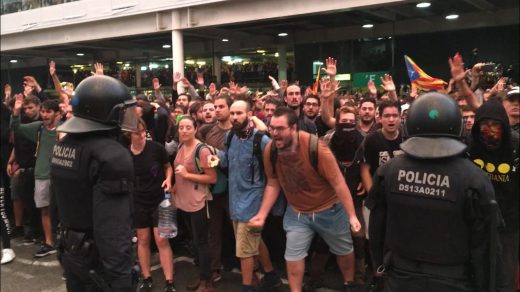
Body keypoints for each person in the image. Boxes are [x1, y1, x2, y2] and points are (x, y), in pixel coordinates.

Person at [367, 92, 502, 292]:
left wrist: (380, 267)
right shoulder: (474, 178)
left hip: (400, 278)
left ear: (409, 125)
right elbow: (486, 247)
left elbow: (376, 227)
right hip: (455, 281)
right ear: (458, 126)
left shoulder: (388, 171)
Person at [249, 107, 361, 292]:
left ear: (293, 128)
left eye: (280, 128)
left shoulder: (316, 148)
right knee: (292, 256)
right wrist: (261, 214)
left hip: (330, 210)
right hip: (297, 213)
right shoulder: (271, 150)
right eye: (272, 128)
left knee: (344, 250)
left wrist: (352, 216)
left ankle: (349, 283)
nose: (274, 133)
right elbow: (273, 182)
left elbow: (339, 183)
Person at [50, 75, 137, 291]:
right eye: (123, 110)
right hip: (99, 264)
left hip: (71, 252)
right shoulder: (112, 155)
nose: (129, 116)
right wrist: (121, 281)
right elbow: (112, 229)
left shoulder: (64, 144)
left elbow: (56, 206)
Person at [217, 100, 282, 292]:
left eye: (239, 113)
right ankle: (270, 275)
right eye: (233, 114)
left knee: (244, 250)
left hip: (253, 202)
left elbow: (276, 164)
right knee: (254, 240)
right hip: (235, 200)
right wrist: (213, 156)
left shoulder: (260, 139)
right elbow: (226, 161)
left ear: (249, 114)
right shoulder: (230, 137)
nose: (235, 117)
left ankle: (247, 287)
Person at [467, 98, 518, 292]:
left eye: (495, 124)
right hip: (476, 222)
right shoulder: (469, 145)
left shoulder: (516, 147)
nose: (490, 130)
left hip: (509, 223)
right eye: (485, 125)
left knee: (504, 276)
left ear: (504, 126)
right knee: (476, 273)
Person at [10, 96, 62, 258]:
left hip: (61, 176)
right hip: (41, 175)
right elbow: (16, 127)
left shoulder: (64, 129)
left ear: (57, 114)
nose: (45, 115)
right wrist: (16, 111)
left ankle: (64, 243)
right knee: (44, 210)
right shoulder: (39, 128)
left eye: (49, 112)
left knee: (63, 211)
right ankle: (49, 242)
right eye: (43, 112)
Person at [129, 118, 175, 292]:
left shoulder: (156, 148)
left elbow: (167, 166)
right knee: (143, 239)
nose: (141, 135)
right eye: (136, 132)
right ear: (129, 134)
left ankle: (169, 281)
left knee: (162, 239)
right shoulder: (126, 153)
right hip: (138, 201)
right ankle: (146, 277)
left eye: (143, 131)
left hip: (160, 199)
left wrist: (168, 179)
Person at [173, 116, 217, 292]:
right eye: (181, 127)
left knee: (202, 242)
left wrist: (187, 175)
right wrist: (174, 186)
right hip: (183, 202)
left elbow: (212, 178)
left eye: (188, 127)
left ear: (195, 128)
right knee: (196, 242)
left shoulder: (203, 150)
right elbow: (178, 172)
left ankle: (207, 282)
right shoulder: (181, 146)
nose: (184, 130)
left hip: (198, 202)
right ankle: (202, 278)